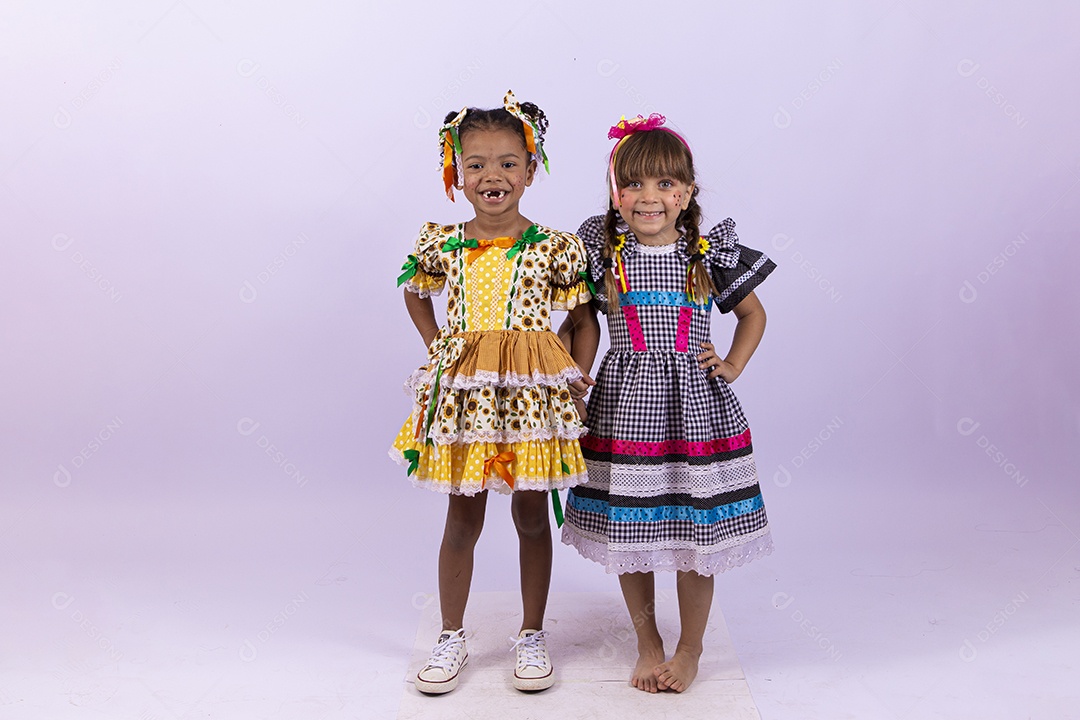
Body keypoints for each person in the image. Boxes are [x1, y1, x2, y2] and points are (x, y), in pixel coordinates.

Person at [559, 113, 775, 693]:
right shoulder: (604, 252)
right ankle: (648, 641)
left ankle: (689, 649)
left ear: (686, 192)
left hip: (694, 411)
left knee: (693, 534)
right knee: (631, 533)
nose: (647, 197)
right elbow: (580, 325)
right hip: (626, 407)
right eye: (632, 184)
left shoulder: (706, 251)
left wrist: (730, 365)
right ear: (615, 193)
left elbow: (752, 314)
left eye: (663, 184)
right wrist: (569, 385)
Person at [391, 91, 594, 694]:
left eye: (508, 162)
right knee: (462, 516)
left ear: (531, 170)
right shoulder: (444, 245)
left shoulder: (555, 247)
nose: (492, 177)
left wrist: (575, 383)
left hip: (531, 403)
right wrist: (440, 349)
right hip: (469, 404)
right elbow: (412, 291)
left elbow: (583, 322)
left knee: (532, 516)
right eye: (476, 164)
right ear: (456, 171)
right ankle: (451, 634)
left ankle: (532, 634)